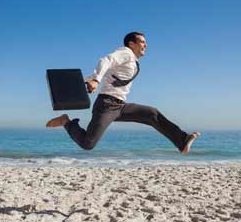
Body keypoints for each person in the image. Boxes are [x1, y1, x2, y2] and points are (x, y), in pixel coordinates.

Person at [46, 31, 200, 154]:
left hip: (120, 106)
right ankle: (66, 121)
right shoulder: (126, 52)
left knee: (152, 114)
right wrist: (96, 80)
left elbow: (105, 71)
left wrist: (91, 79)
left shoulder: (132, 60)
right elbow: (105, 60)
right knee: (88, 144)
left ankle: (182, 140)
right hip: (106, 105)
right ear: (131, 44)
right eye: (142, 42)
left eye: (146, 42)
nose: (145, 45)